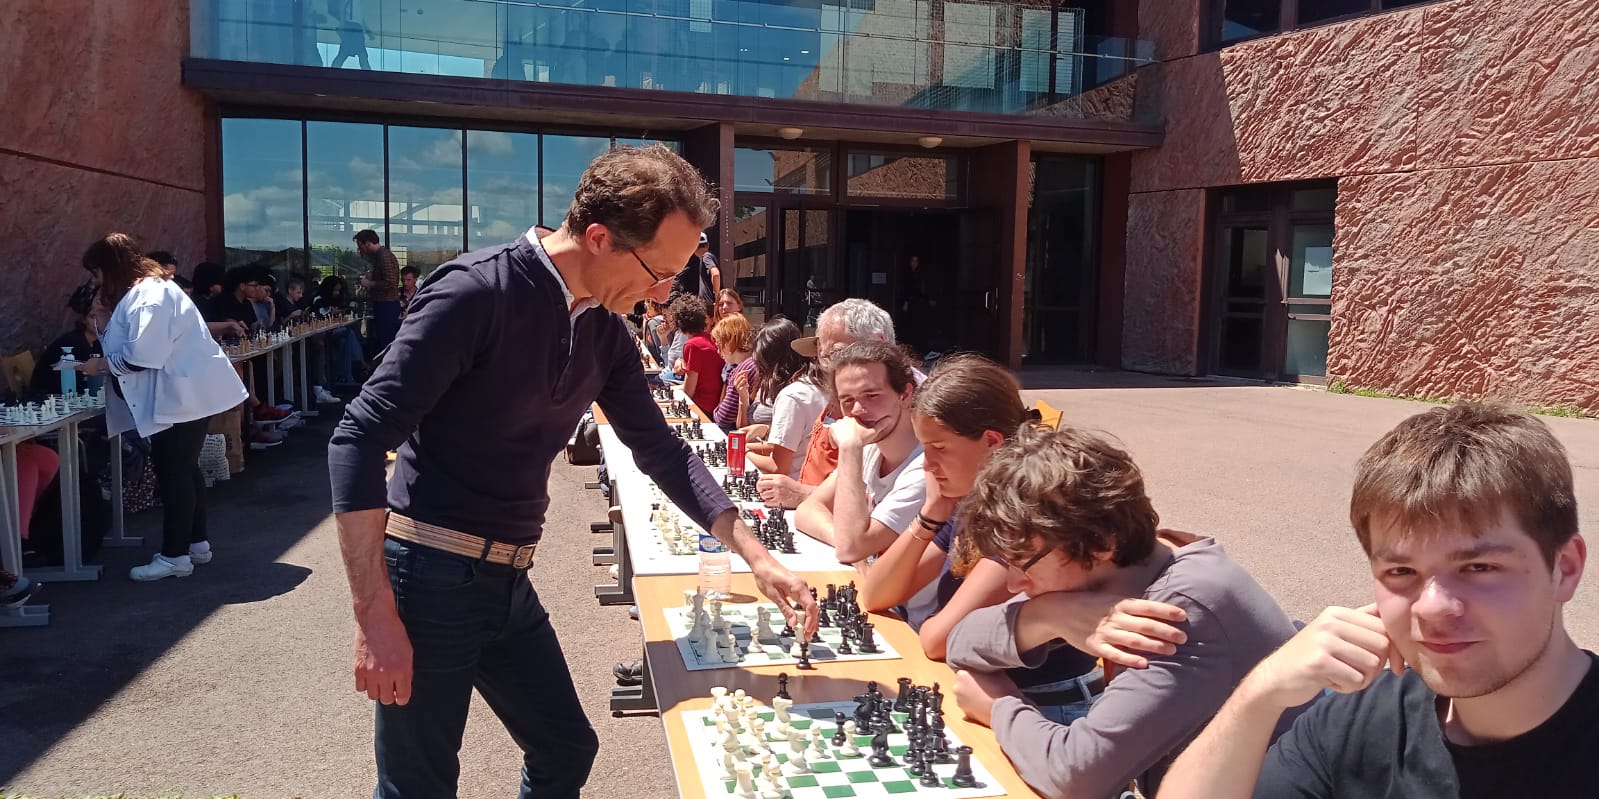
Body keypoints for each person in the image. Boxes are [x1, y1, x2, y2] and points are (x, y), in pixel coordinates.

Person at [326, 144, 817, 799]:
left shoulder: (605, 332)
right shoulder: (476, 292)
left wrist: (757, 555)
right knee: (418, 785)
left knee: (566, 748)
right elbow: (357, 436)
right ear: (597, 236)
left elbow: (662, 450)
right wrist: (374, 612)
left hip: (508, 578)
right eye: (657, 271)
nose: (663, 293)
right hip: (428, 574)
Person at [1159, 402, 1597, 799]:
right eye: (1402, 572)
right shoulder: (1360, 717)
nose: (1432, 607)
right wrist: (1259, 696)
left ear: (1566, 569)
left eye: (1479, 567)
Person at [942, 424, 1300, 799]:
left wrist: (999, 707)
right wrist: (1047, 616)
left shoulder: (1178, 612)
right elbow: (959, 643)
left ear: (1099, 543)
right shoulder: (1135, 565)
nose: (1013, 585)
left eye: (1022, 563)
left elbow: (1075, 775)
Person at [74, 234, 248, 582]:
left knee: (174, 475)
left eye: (97, 274)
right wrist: (104, 320)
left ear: (111, 268)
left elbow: (142, 357)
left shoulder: (148, 297)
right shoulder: (148, 292)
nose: (95, 282)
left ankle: (175, 556)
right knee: (185, 470)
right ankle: (195, 545)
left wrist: (101, 366)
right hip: (184, 395)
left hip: (179, 397)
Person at [757, 298, 904, 510]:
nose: (828, 368)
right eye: (822, 357)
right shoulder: (841, 393)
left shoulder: (909, 410)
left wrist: (804, 495)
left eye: (836, 354)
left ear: (877, 344)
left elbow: (884, 508)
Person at [794, 340, 926, 568]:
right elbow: (807, 510)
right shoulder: (870, 448)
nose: (857, 411)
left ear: (905, 394)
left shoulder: (925, 468)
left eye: (872, 395)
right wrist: (846, 539)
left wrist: (849, 448)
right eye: (847, 400)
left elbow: (850, 549)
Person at [31, 282, 105, 395]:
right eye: (92, 317)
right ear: (83, 319)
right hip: (51, 399)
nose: (96, 322)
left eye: (100, 316)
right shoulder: (72, 343)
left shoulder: (98, 343)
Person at [672, 294, 723, 416]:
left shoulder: (693, 345)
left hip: (702, 407)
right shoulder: (710, 339)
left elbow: (689, 391)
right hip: (714, 404)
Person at [354, 229, 402, 355]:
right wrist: (373, 276)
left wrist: (370, 284)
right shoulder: (381, 256)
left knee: (386, 342)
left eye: (361, 246)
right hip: (384, 304)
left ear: (368, 243)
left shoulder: (384, 256)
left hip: (387, 304)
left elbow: (390, 282)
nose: (361, 250)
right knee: (382, 340)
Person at [709, 312, 754, 431]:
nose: (718, 351)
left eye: (719, 345)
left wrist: (716, 413)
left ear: (730, 341)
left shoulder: (744, 369)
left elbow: (724, 416)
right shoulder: (752, 363)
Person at [330, 0, 371, 69]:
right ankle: (332, 71)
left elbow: (360, 18)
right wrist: (342, 27)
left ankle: (369, 76)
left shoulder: (357, 2)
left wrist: (367, 30)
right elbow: (342, 9)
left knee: (361, 55)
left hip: (357, 28)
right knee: (348, 53)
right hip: (350, 25)